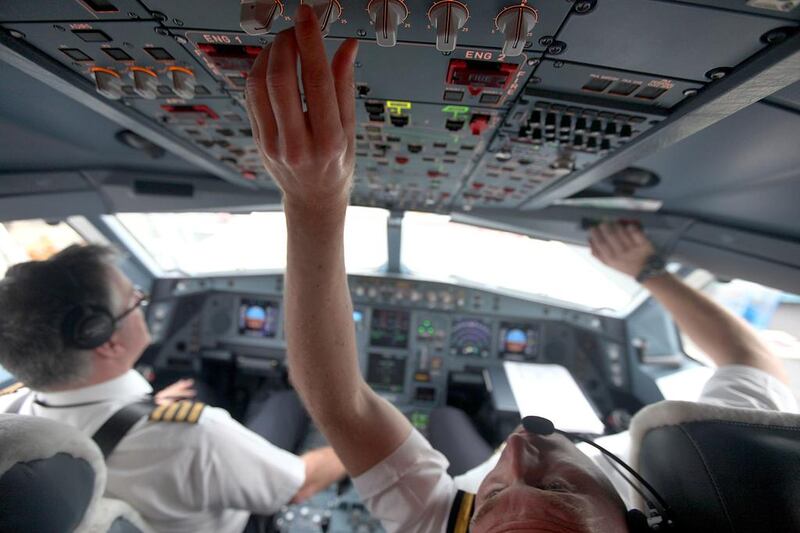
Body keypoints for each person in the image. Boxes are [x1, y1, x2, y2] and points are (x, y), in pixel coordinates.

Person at [243, 5, 798, 533]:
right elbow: (752, 362)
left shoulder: (447, 522)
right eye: (558, 488)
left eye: (494, 497)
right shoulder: (686, 477)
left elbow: (342, 405)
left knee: (441, 421)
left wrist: (313, 201)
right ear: (639, 523)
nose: (513, 448)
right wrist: (649, 268)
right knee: (447, 423)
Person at [0, 244, 346, 533]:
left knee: (196, 387)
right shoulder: (194, 436)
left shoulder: (16, 421)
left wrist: (144, 409)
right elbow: (300, 485)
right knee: (289, 398)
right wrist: (354, 438)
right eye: (135, 299)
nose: (143, 303)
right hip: (246, 521)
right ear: (103, 340)